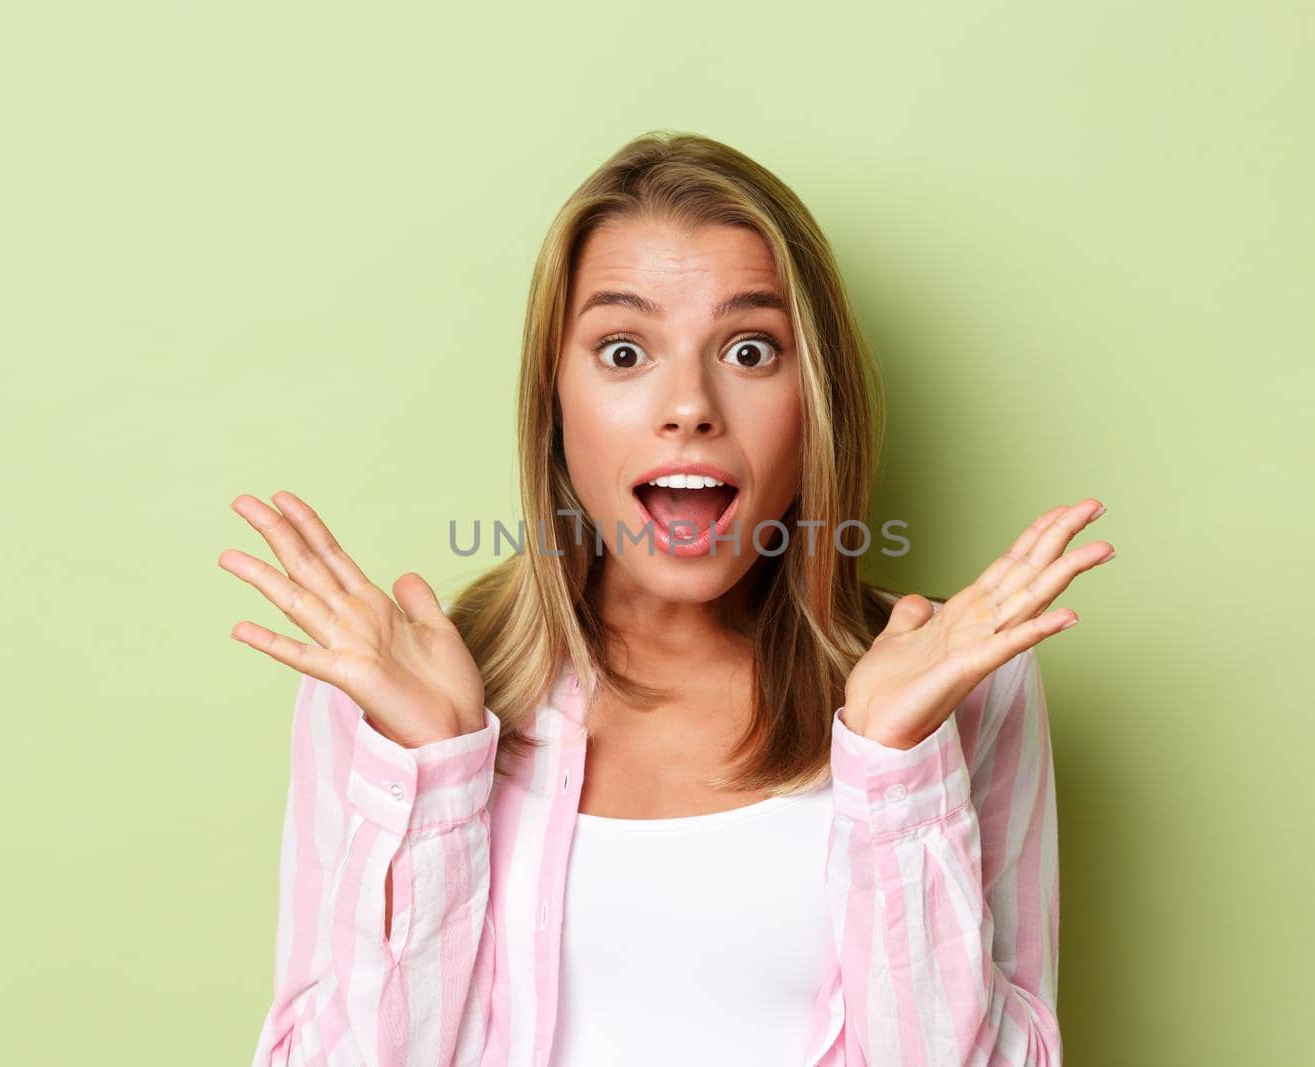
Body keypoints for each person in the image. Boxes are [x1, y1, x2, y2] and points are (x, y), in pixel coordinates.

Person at [220, 130, 1114, 1066]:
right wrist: (431, 776)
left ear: (819, 397)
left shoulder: (961, 692)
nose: (689, 404)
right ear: (553, 401)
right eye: (621, 349)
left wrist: (896, 770)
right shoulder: (386, 697)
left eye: (750, 349)